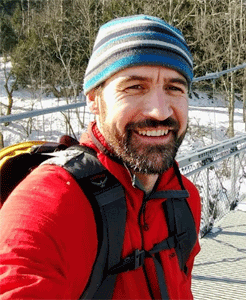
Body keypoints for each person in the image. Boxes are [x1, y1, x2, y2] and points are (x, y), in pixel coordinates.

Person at [0, 15, 201, 299]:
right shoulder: (53, 202)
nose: (160, 111)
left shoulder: (184, 198)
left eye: (174, 88)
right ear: (94, 99)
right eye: (135, 87)